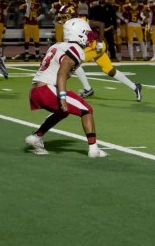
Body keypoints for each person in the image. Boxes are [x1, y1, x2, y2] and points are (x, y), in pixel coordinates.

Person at [24, 18, 107, 158]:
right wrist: (62, 97)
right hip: (48, 89)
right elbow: (61, 73)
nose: (88, 36)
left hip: (35, 91)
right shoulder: (75, 49)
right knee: (86, 110)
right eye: (86, 33)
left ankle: (36, 137)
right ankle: (94, 149)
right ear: (79, 33)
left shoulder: (57, 45)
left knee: (63, 112)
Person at [79, 0, 142, 101]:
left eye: (64, 16)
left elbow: (101, 24)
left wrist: (99, 41)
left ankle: (87, 89)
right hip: (93, 46)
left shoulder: (80, 21)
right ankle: (135, 87)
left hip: (95, 45)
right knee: (110, 71)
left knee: (74, 61)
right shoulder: (72, 23)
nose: (62, 19)